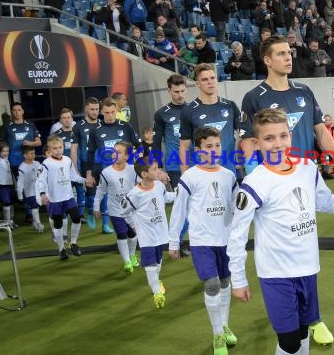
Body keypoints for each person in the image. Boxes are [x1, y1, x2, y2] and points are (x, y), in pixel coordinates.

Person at [238, 34, 334, 345]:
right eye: (281, 53)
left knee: (306, 247)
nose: (288, 57)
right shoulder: (254, 96)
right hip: (274, 185)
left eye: (290, 52)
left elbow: (319, 129)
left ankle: (314, 317)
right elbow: (248, 140)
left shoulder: (304, 91)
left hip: (305, 174)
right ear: (267, 60)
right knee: (288, 250)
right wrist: (250, 174)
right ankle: (302, 321)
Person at [227, 108, 334, 355]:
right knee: (289, 342)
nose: (278, 144)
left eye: (283, 136)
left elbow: (325, 202)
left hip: (308, 268)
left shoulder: (307, 167)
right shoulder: (254, 183)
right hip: (276, 274)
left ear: (290, 136)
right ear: (256, 144)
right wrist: (239, 279)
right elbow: (237, 234)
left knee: (302, 332)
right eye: (269, 138)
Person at [169, 126, 238, 355]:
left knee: (226, 283)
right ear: (198, 150)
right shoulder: (189, 177)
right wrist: (173, 242)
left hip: (226, 240)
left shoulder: (229, 175)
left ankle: (225, 325)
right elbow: (178, 211)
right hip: (202, 242)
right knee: (212, 284)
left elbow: (237, 207)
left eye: (217, 145)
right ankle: (217, 333)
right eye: (209, 146)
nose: (215, 150)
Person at [123, 157, 175, 307]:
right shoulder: (134, 194)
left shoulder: (159, 185)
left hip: (161, 232)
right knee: (150, 264)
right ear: (144, 174)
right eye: (154, 169)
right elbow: (125, 212)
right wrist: (133, 224)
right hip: (146, 235)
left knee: (158, 262)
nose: (158, 171)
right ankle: (156, 293)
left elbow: (166, 198)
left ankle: (156, 282)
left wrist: (180, 194)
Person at [85, 98, 141, 234]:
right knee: (110, 198)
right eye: (106, 113)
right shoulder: (95, 130)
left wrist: (138, 163)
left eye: (112, 112)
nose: (110, 116)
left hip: (128, 171)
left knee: (133, 199)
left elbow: (138, 146)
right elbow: (90, 153)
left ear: (116, 111)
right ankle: (109, 226)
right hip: (109, 173)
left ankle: (137, 232)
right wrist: (88, 174)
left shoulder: (126, 126)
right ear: (101, 112)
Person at [153, 74, 191, 257]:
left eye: (182, 91)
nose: (179, 95)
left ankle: (180, 240)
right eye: (176, 91)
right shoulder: (162, 113)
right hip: (175, 166)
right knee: (182, 204)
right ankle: (178, 241)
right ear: (169, 90)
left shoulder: (193, 109)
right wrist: (158, 167)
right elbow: (156, 141)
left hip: (196, 165)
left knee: (195, 205)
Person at [179, 63, 241, 176]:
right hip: (201, 175)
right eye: (205, 79)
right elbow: (184, 146)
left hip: (229, 172)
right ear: (197, 83)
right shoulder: (189, 111)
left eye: (212, 78)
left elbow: (243, 136)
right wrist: (184, 176)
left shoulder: (230, 106)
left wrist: (241, 162)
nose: (210, 82)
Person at [36, 136, 87, 261]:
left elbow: (73, 176)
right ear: (50, 149)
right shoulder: (46, 163)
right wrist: (42, 194)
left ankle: (73, 243)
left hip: (68, 197)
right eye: (55, 148)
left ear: (63, 147)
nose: (58, 150)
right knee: (58, 225)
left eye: (60, 147)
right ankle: (61, 250)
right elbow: (40, 181)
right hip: (55, 200)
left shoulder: (68, 160)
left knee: (76, 218)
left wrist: (85, 180)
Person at [94, 141, 140, 274]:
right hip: (115, 210)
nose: (114, 154)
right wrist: (96, 206)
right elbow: (100, 190)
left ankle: (132, 255)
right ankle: (126, 262)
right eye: (114, 151)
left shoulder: (133, 169)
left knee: (133, 234)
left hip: (131, 210)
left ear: (127, 156)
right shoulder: (106, 172)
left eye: (119, 152)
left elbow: (141, 185)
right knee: (121, 234)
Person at [70, 97, 101, 230]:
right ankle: (89, 214)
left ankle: (105, 221)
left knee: (103, 191)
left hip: (102, 164)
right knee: (91, 192)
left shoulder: (102, 124)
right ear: (86, 109)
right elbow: (73, 149)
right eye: (92, 109)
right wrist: (75, 170)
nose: (95, 112)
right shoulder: (78, 126)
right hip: (86, 164)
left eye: (97, 109)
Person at [17, 146, 44, 232]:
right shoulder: (22, 167)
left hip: (38, 190)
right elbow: (20, 182)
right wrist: (20, 194)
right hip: (29, 191)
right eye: (31, 153)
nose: (34, 155)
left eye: (34, 153)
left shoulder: (37, 164)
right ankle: (39, 224)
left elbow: (42, 176)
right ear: (25, 155)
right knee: (34, 206)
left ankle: (35, 223)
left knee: (36, 206)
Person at [0, 142, 18, 228]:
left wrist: (15, 184)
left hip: (9, 185)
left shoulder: (7, 161)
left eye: (7, 151)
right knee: (6, 202)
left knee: (11, 203)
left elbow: (10, 174)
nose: (6, 153)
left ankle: (11, 221)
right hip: (1, 185)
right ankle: (7, 223)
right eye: (3, 151)